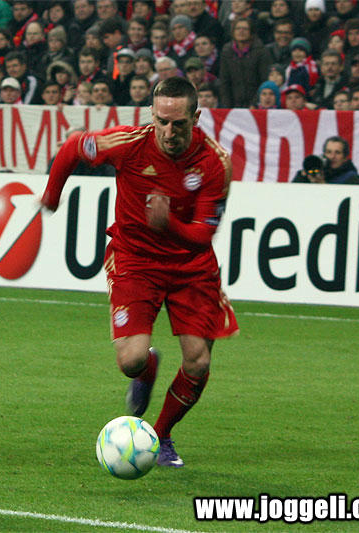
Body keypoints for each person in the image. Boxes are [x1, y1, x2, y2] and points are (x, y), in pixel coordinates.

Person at [40, 77, 237, 468]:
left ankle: (160, 436)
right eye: (161, 121)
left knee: (198, 362)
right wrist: (52, 194)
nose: (168, 131)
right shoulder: (129, 143)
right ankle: (146, 371)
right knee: (131, 361)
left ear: (196, 117)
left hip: (191, 267)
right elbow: (74, 146)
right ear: (152, 114)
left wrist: (169, 224)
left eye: (179, 123)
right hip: (135, 262)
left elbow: (203, 235)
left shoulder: (215, 162)